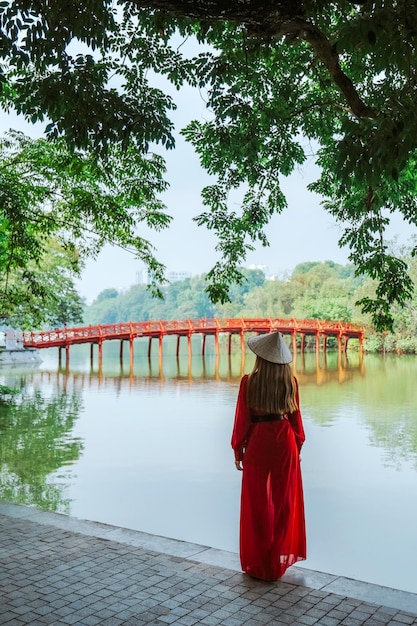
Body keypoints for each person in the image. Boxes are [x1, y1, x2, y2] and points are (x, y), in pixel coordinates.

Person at [231, 331, 306, 581]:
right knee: (283, 503)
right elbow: (297, 422)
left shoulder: (248, 382)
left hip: (259, 442)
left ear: (260, 357)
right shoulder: (291, 382)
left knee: (257, 503)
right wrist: (297, 448)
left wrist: (238, 448)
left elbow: (242, 419)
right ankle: (276, 558)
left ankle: (261, 559)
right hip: (285, 442)